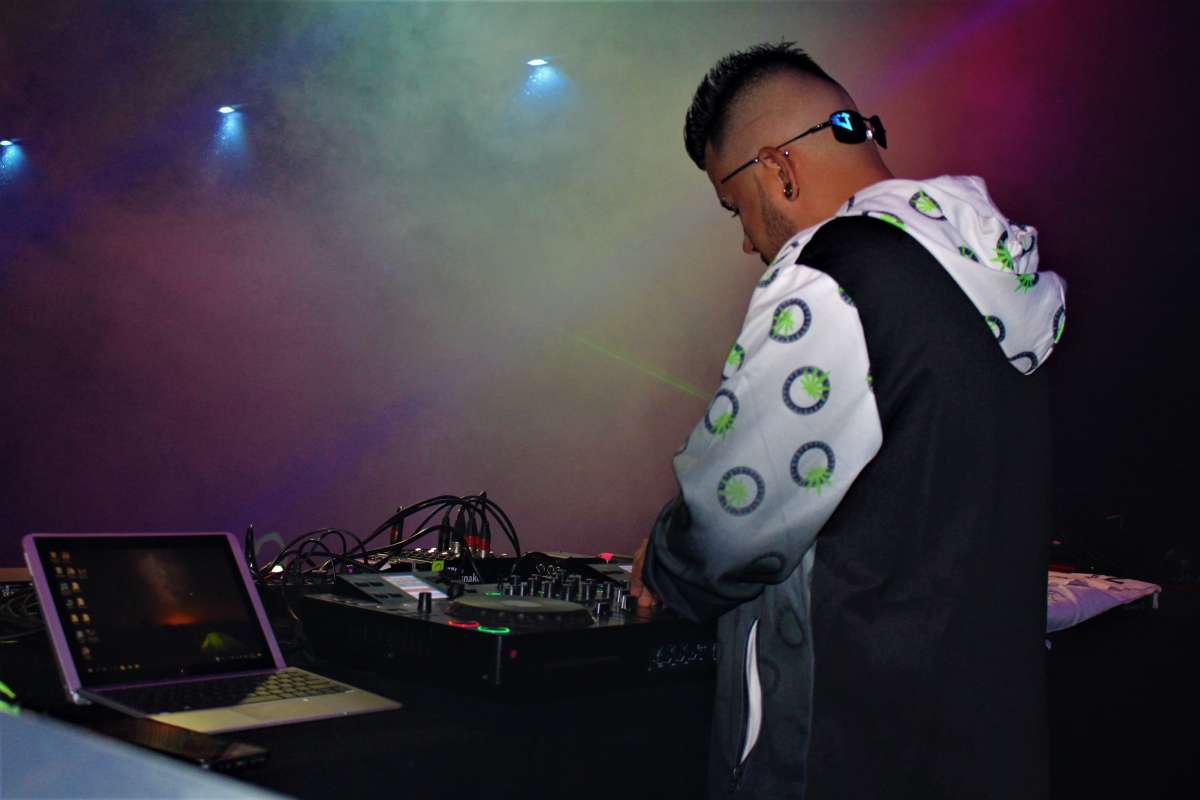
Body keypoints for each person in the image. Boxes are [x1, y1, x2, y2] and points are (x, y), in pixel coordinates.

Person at [629, 42, 1066, 799]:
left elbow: (730, 526)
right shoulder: (992, 284)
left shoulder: (834, 274)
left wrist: (661, 562)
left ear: (779, 169)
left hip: (851, 751)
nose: (745, 237)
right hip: (990, 746)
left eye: (735, 205)